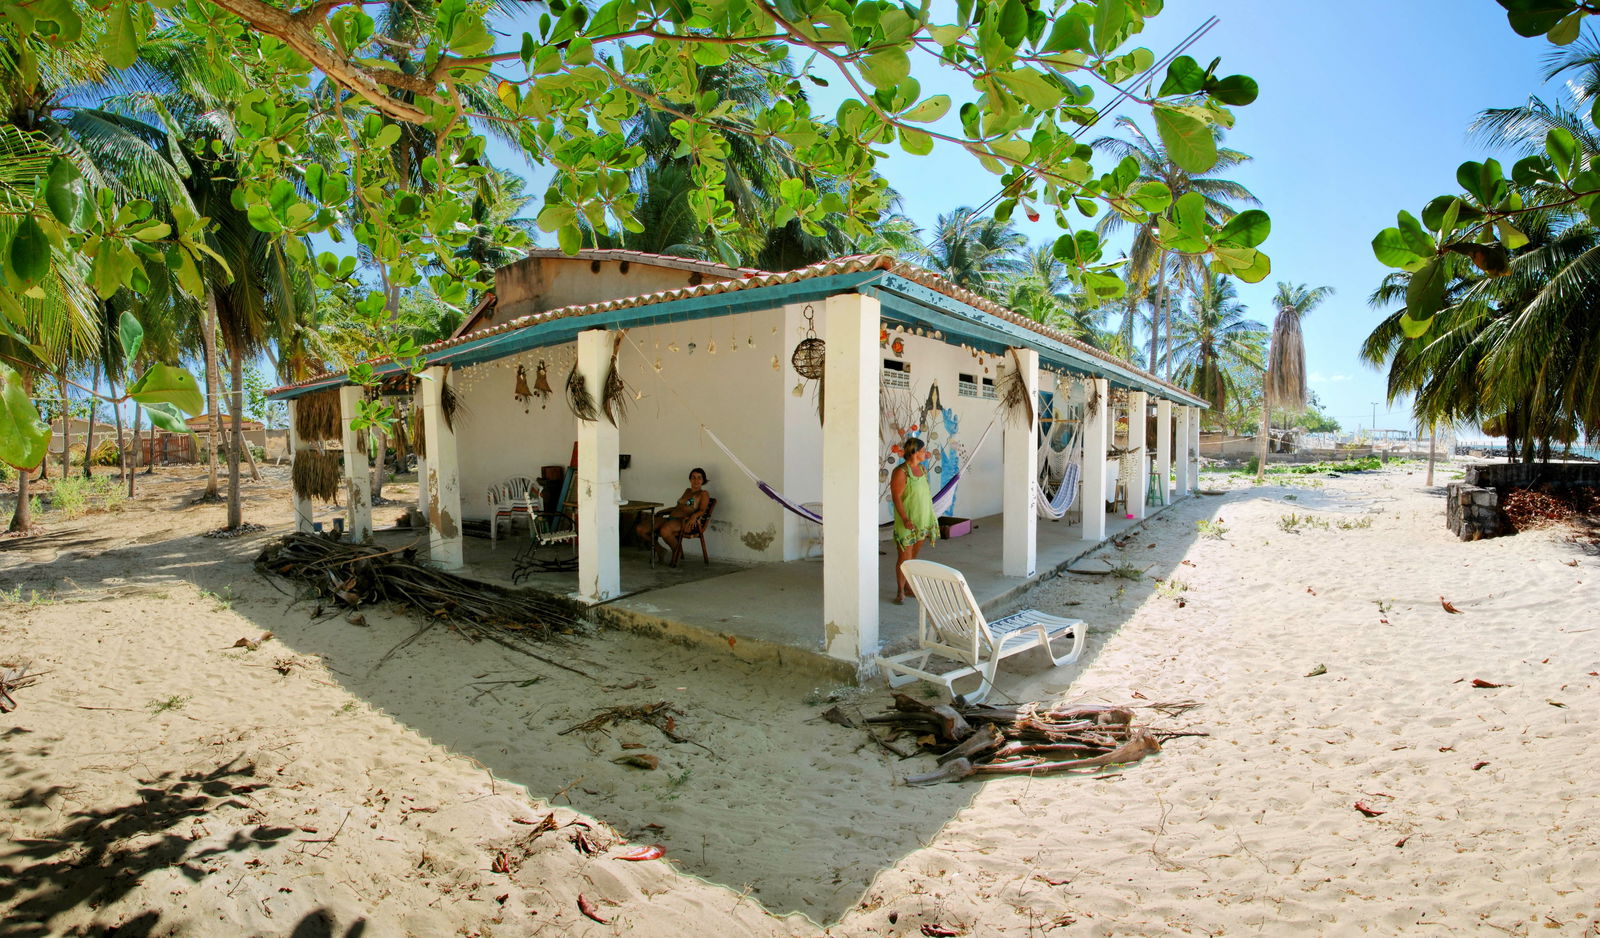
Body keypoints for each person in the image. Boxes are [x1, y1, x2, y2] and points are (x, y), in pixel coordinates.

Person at [891, 437, 938, 604]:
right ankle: (900, 591)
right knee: (904, 556)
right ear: (914, 452)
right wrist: (904, 518)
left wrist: (931, 516)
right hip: (907, 520)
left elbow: (924, 495)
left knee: (913, 556)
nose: (926, 453)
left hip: (922, 519)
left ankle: (908, 587)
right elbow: (896, 497)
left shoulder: (922, 470)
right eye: (923, 451)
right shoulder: (901, 472)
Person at [639, 467, 710, 567]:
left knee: (664, 530)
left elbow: (702, 510)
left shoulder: (703, 494)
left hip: (684, 521)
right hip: (670, 518)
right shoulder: (687, 491)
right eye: (693, 477)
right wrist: (663, 511)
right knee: (641, 529)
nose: (696, 480)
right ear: (690, 479)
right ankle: (660, 549)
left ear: (703, 480)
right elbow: (678, 507)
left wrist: (694, 516)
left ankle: (676, 552)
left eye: (699, 478)